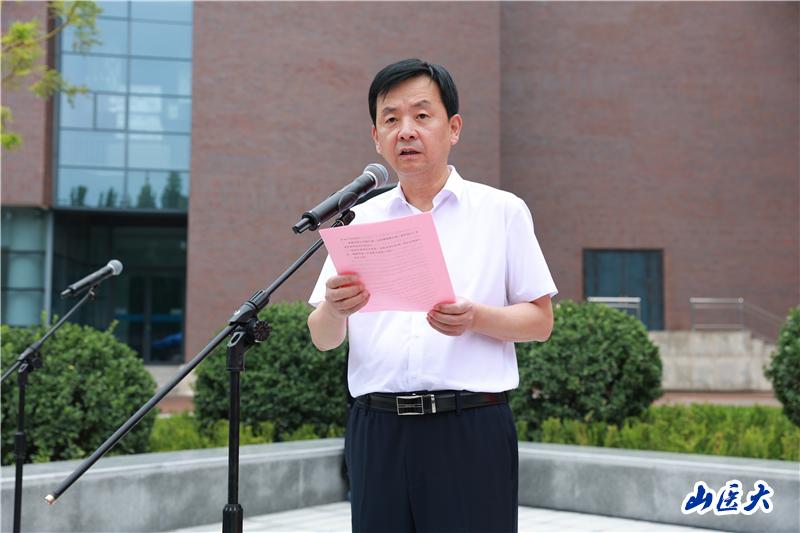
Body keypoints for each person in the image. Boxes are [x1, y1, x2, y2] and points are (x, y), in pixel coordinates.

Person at [307, 58, 557, 533]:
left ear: (453, 127)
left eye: (422, 115)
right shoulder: (359, 218)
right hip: (377, 429)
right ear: (376, 136)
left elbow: (540, 322)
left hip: (469, 426)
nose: (406, 131)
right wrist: (334, 309)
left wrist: (476, 318)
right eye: (391, 119)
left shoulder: (501, 211)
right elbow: (323, 337)